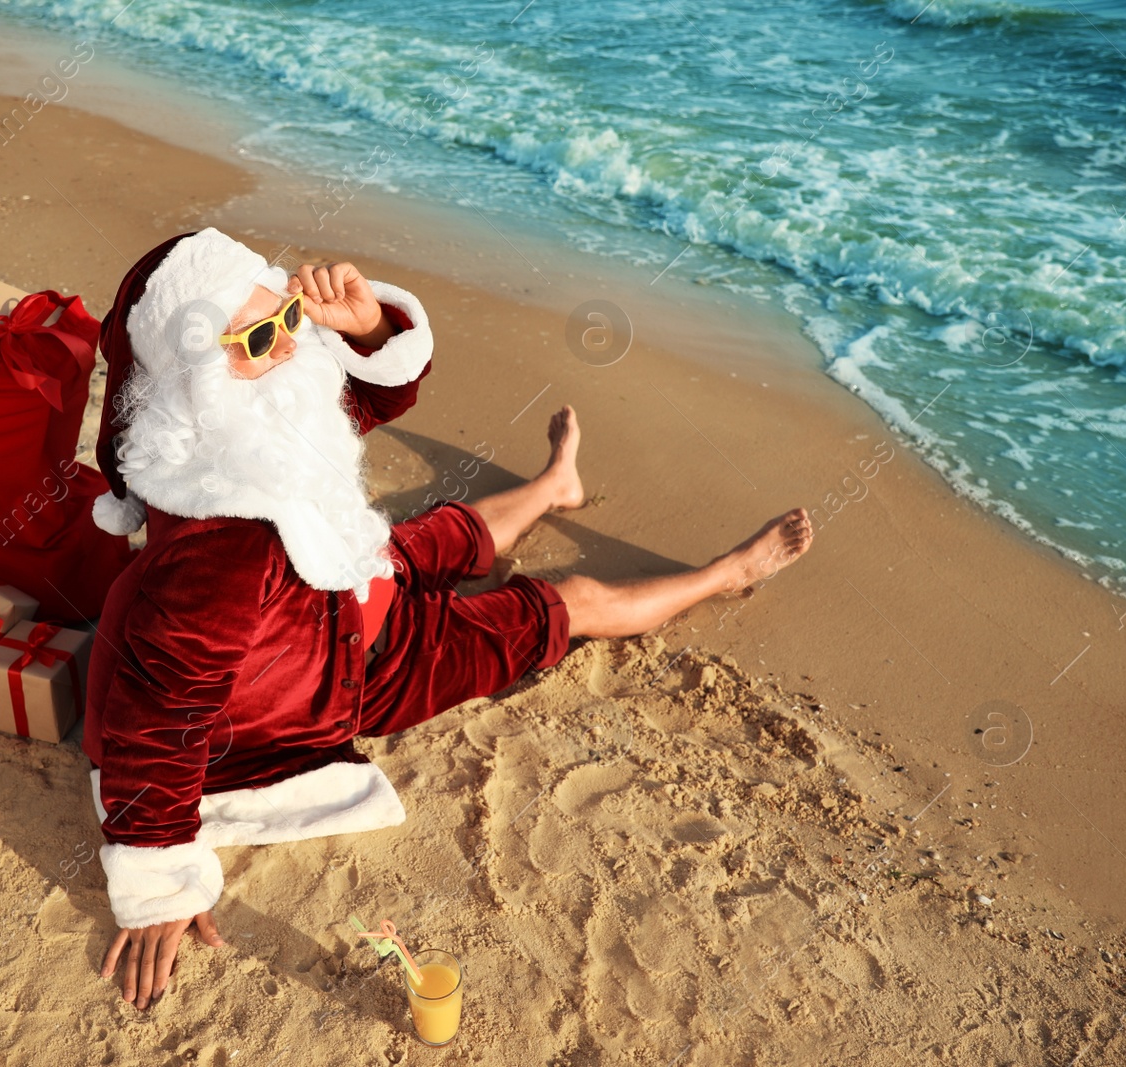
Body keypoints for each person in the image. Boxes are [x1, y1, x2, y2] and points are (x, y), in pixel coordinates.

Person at [82, 229, 813, 1008]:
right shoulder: (220, 544)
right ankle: (724, 574)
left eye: (291, 316)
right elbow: (159, 713)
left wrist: (364, 329)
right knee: (563, 604)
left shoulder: (243, 416)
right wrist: (159, 883)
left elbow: (366, 396)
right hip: (345, 672)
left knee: (445, 535)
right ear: (198, 371)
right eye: (263, 335)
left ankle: (552, 487)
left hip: (335, 584)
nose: (292, 348)